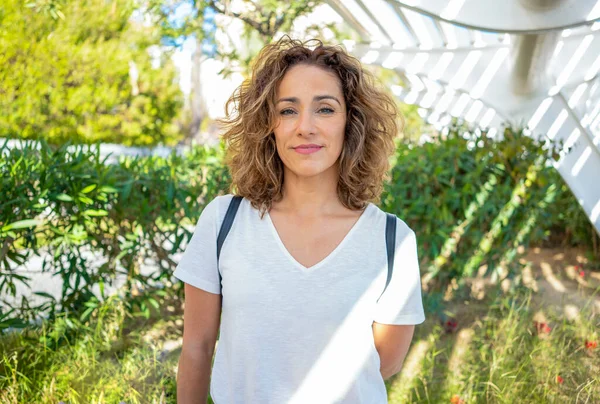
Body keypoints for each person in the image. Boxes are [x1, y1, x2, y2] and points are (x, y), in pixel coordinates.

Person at [174, 36, 425, 404]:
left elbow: (383, 361)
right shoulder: (223, 221)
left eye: (324, 109)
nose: (305, 126)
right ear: (268, 124)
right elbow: (196, 348)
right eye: (288, 110)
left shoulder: (393, 239)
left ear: (350, 122)